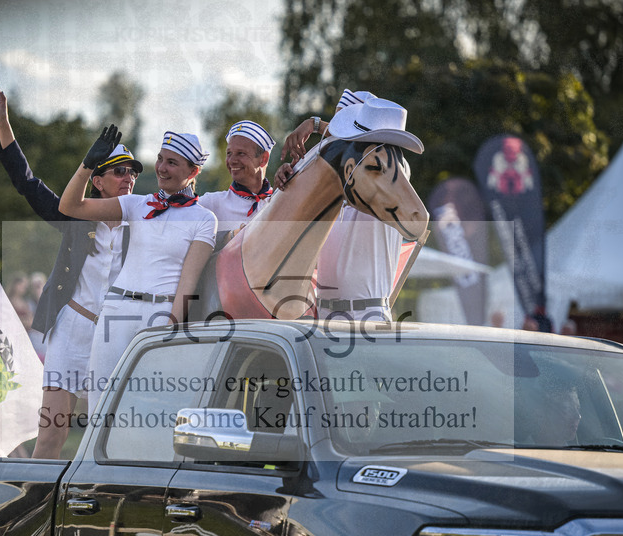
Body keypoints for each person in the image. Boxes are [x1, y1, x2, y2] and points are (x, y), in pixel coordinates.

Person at [0, 86, 141, 459]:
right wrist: (4, 125)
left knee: (111, 444)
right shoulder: (74, 221)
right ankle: (32, 509)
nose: (129, 178)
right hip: (71, 331)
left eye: (132, 172)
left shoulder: (145, 224)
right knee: (51, 439)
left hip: (118, 337)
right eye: (119, 172)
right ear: (96, 182)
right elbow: (28, 184)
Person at [59, 126, 217, 412]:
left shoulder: (204, 219)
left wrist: (168, 329)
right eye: (160, 158)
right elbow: (70, 206)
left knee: (146, 411)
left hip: (158, 316)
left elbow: (188, 283)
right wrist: (87, 166)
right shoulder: (136, 204)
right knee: (100, 407)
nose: (161, 168)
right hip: (116, 311)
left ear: (193, 172)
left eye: (172, 162)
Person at [275, 89, 407, 322]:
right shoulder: (331, 177)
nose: (337, 134)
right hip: (324, 315)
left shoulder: (392, 165)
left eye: (345, 124)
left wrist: (316, 125)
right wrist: (292, 180)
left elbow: (360, 151)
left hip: (370, 314)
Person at [198, 120, 276, 248]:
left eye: (241, 153)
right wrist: (228, 237)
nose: (232, 161)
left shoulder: (279, 202)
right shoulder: (210, 204)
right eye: (229, 153)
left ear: (263, 159)